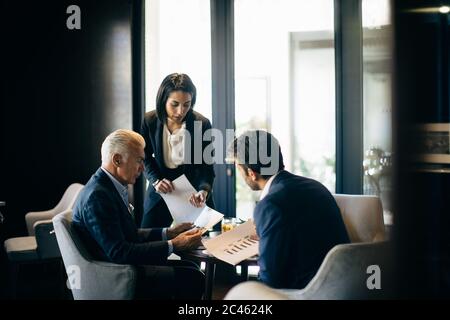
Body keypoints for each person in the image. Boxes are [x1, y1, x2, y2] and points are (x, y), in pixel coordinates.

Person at [72, 129, 205, 299]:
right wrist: (175, 244)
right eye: (139, 161)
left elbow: (128, 234)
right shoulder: (98, 196)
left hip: (122, 266)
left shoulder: (107, 186)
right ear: (117, 159)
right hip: (118, 274)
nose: (143, 168)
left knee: (192, 268)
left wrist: (168, 233)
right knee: (193, 277)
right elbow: (119, 252)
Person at [229, 130, 350, 289]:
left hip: (306, 292)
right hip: (345, 284)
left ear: (251, 173)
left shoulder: (270, 205)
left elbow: (272, 279)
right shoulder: (316, 186)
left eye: (238, 168)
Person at [141, 73, 215, 228]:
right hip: (161, 187)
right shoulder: (149, 121)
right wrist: (156, 181)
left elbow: (206, 166)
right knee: (150, 239)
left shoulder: (202, 124)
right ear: (163, 100)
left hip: (193, 192)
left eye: (187, 104)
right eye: (174, 104)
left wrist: (203, 191)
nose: (181, 111)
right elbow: (144, 156)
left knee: (205, 244)